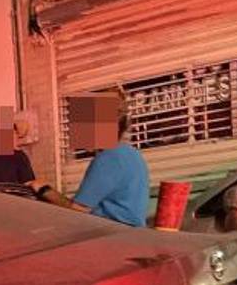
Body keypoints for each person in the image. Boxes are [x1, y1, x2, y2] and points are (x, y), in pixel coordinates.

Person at [28, 92, 150, 227]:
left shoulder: (109, 157)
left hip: (115, 234)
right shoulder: (131, 154)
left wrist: (44, 190)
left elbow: (78, 210)